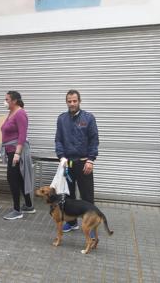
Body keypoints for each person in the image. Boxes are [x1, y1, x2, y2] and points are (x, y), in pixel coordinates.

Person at [55, 89, 99, 233]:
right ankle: (72, 222)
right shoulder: (61, 119)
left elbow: (94, 140)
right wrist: (61, 156)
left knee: (87, 196)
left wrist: (91, 160)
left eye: (75, 101)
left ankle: (91, 226)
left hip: (83, 163)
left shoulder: (89, 118)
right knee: (68, 196)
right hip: (67, 164)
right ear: (66, 102)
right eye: (69, 101)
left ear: (79, 101)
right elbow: (58, 140)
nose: (72, 103)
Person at [0, 91, 34, 220]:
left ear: (14, 101)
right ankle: (29, 206)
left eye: (7, 99)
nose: (5, 101)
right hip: (10, 150)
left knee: (12, 178)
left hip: (16, 151)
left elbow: (22, 135)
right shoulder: (11, 113)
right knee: (19, 177)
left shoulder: (20, 113)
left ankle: (17, 210)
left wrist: (17, 154)